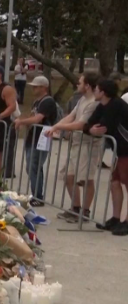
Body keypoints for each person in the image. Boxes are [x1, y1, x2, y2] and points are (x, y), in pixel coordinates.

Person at [47, 72, 100, 223]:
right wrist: (55, 126)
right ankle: (75, 208)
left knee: (86, 178)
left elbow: (80, 124)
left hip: (88, 145)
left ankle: (85, 212)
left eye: (80, 82)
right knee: (68, 176)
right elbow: (71, 116)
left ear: (87, 85)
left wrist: (59, 127)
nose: (77, 84)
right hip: (76, 143)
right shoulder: (82, 99)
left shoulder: (93, 103)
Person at [82, 79, 128, 235]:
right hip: (119, 150)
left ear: (103, 92)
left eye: (96, 89)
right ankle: (116, 218)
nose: (94, 91)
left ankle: (126, 222)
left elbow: (104, 126)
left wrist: (94, 130)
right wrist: (90, 130)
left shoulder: (116, 105)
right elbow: (89, 124)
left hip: (126, 149)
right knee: (115, 183)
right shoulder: (102, 105)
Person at [14, 76, 58, 206]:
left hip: (41, 138)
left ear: (44, 87)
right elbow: (32, 116)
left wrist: (22, 121)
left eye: (36, 87)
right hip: (32, 137)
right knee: (31, 166)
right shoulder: (36, 102)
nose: (33, 89)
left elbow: (37, 119)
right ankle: (36, 194)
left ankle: (38, 196)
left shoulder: (47, 101)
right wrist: (25, 122)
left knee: (35, 165)